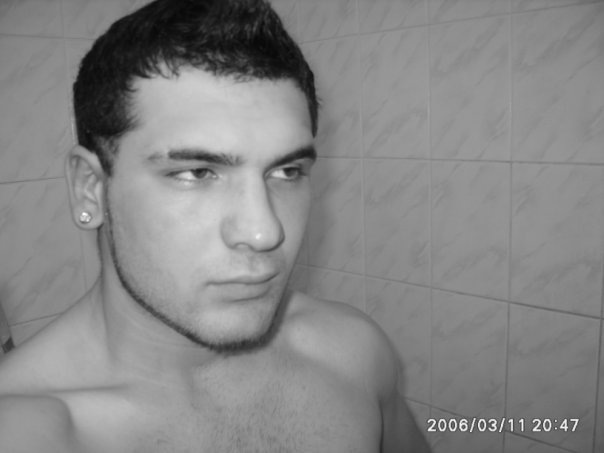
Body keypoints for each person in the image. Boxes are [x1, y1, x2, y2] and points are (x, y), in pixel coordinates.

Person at [0, 0, 430, 451]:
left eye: (287, 172)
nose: (265, 233)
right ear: (91, 188)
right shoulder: (26, 431)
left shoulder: (353, 355)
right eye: (198, 172)